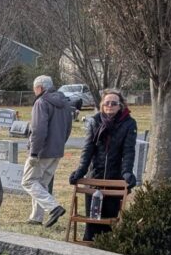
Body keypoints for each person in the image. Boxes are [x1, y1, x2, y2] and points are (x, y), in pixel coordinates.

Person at [69, 90, 137, 241]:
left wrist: (126, 172)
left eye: (114, 103)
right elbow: (88, 149)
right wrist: (80, 171)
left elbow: (128, 152)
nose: (110, 106)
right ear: (102, 105)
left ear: (120, 106)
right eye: (107, 103)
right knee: (92, 223)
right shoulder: (94, 121)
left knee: (109, 223)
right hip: (95, 178)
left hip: (115, 179)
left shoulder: (129, 123)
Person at [21, 75, 73, 227]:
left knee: (28, 181)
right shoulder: (65, 103)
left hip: (41, 151)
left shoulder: (41, 102)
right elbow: (68, 128)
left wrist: (34, 153)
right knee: (42, 183)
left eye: (34, 88)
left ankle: (54, 207)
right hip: (57, 150)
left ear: (40, 88)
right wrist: (59, 144)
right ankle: (36, 217)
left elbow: (38, 130)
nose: (34, 91)